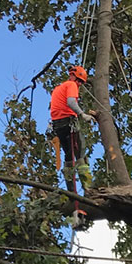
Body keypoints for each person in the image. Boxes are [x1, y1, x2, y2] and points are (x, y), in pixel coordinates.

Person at [49, 65, 95, 194]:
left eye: (81, 82)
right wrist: (82, 114)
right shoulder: (71, 85)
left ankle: (70, 191)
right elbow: (71, 102)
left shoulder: (58, 88)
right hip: (68, 122)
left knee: (69, 156)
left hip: (58, 125)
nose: (79, 84)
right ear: (73, 76)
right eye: (79, 81)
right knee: (80, 154)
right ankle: (88, 188)